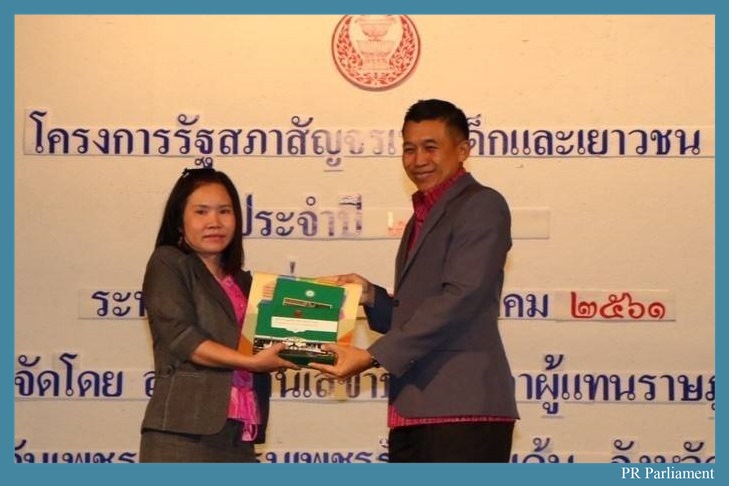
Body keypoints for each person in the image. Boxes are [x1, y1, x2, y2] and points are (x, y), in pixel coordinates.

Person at [310, 99, 518, 463]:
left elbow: (461, 299)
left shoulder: (482, 205)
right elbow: (417, 313)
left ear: (463, 150)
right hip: (415, 409)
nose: (418, 159)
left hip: (462, 410)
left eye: (430, 147)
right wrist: (370, 297)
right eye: (409, 149)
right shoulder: (421, 216)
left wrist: (372, 356)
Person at [139, 167, 298, 463]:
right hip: (182, 434)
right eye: (201, 212)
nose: (214, 222)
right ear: (179, 221)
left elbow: (267, 338)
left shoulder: (243, 282)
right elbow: (184, 339)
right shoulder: (168, 263)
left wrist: (314, 328)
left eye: (224, 211)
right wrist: (251, 362)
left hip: (240, 432)